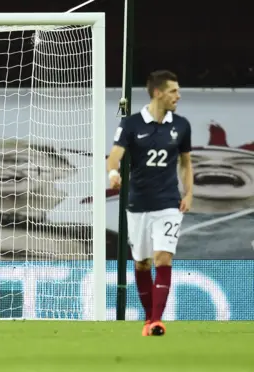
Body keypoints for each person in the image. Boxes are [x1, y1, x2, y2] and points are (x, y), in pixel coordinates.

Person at [107, 70, 193, 336]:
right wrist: (113, 173)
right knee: (142, 263)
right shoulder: (132, 124)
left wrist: (189, 193)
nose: (178, 96)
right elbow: (114, 157)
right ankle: (149, 319)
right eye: (173, 91)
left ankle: (156, 320)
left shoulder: (181, 125)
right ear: (158, 93)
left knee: (162, 258)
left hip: (168, 203)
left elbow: (186, 164)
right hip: (138, 204)